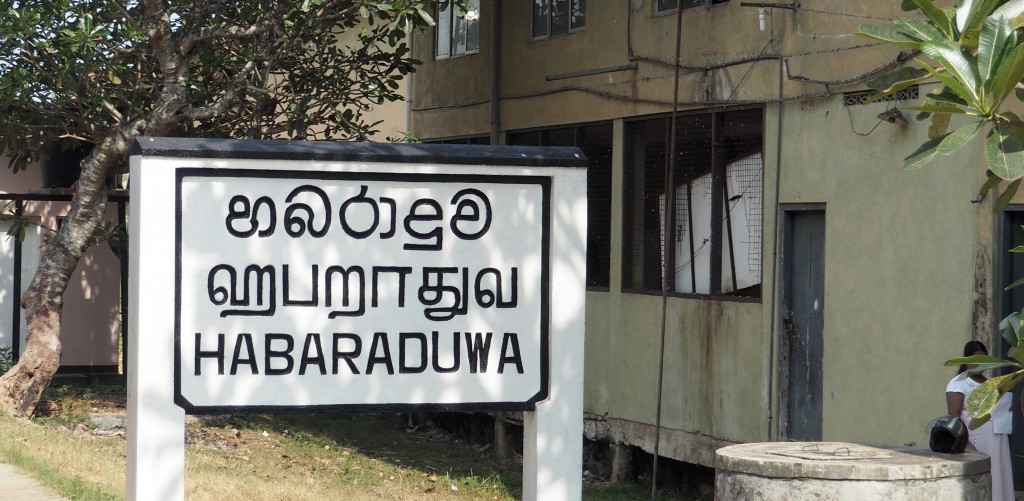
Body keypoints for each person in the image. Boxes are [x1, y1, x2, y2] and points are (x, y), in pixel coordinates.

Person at [946, 340, 1013, 501]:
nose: (979, 362)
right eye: (975, 358)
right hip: (977, 441)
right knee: (985, 476)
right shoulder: (958, 384)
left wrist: (1007, 409)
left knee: (999, 475)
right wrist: (966, 444)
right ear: (966, 360)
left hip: (998, 439)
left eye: (983, 358)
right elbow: (953, 418)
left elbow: (994, 408)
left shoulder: (990, 382)